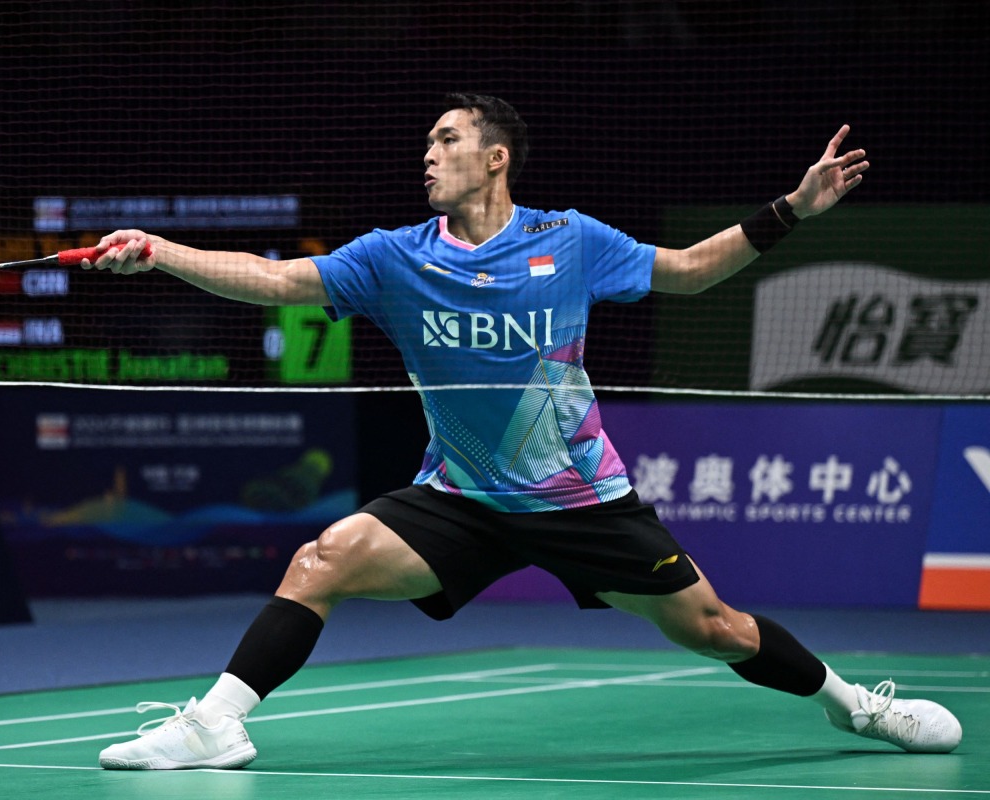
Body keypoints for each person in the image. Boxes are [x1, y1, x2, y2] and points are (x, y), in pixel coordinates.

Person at [88, 93, 961, 769]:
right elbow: (275, 281)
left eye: (447, 141)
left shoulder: (569, 239)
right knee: (321, 561)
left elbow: (691, 273)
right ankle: (214, 726)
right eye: (426, 144)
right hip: (462, 496)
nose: (428, 156)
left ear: (495, 157)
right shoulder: (394, 257)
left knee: (717, 628)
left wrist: (793, 211)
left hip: (581, 499)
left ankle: (858, 708)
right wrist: (162, 251)